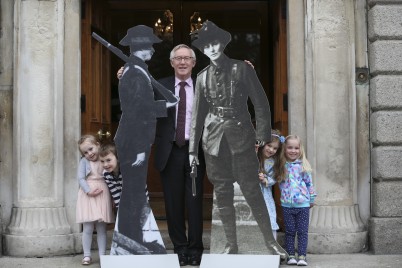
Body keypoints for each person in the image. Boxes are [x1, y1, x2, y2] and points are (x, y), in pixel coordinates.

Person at [188, 20, 288, 261]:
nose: (211, 48)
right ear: (203, 50)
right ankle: (231, 244)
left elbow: (261, 104)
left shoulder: (242, 69)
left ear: (221, 44)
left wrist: (262, 137)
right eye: (207, 46)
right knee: (222, 193)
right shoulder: (201, 78)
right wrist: (192, 150)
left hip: (242, 139)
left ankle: (270, 243)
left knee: (252, 191)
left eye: (215, 43)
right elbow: (197, 117)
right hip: (213, 143)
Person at [112, 25, 178, 255]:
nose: (152, 49)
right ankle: (132, 237)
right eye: (149, 46)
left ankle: (135, 237)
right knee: (134, 192)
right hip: (134, 141)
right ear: (141, 48)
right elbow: (136, 112)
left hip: (134, 140)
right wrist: (165, 106)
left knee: (136, 191)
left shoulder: (136, 70)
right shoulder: (134, 72)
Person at [273, 135, 317, 266]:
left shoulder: (303, 165)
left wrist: (312, 198)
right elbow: (275, 179)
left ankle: (302, 256)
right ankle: (291, 255)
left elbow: (309, 184)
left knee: (302, 232)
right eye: (290, 148)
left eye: (296, 148)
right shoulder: (281, 165)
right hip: (287, 205)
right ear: (285, 149)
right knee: (290, 231)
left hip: (303, 205)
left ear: (300, 149)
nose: (293, 151)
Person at [76, 134, 114, 266]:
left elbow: (111, 175)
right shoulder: (84, 162)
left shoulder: (104, 160)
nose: (89, 154)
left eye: (91, 149)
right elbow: (81, 178)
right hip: (88, 195)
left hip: (102, 192)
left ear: (97, 145)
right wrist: (88, 190)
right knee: (87, 227)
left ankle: (102, 256)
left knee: (102, 228)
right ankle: (87, 255)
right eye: (85, 152)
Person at [257, 130, 285, 240]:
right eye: (269, 146)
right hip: (252, 193)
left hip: (265, 195)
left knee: (269, 216)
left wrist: (265, 179)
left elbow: (274, 177)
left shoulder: (273, 162)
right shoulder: (255, 157)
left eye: (275, 148)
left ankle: (272, 246)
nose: (271, 150)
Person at [99, 142, 122, 210]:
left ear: (117, 158)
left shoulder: (126, 171)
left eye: (108, 160)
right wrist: (119, 209)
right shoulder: (106, 174)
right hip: (124, 202)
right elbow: (115, 192)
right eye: (102, 161)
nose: (105, 164)